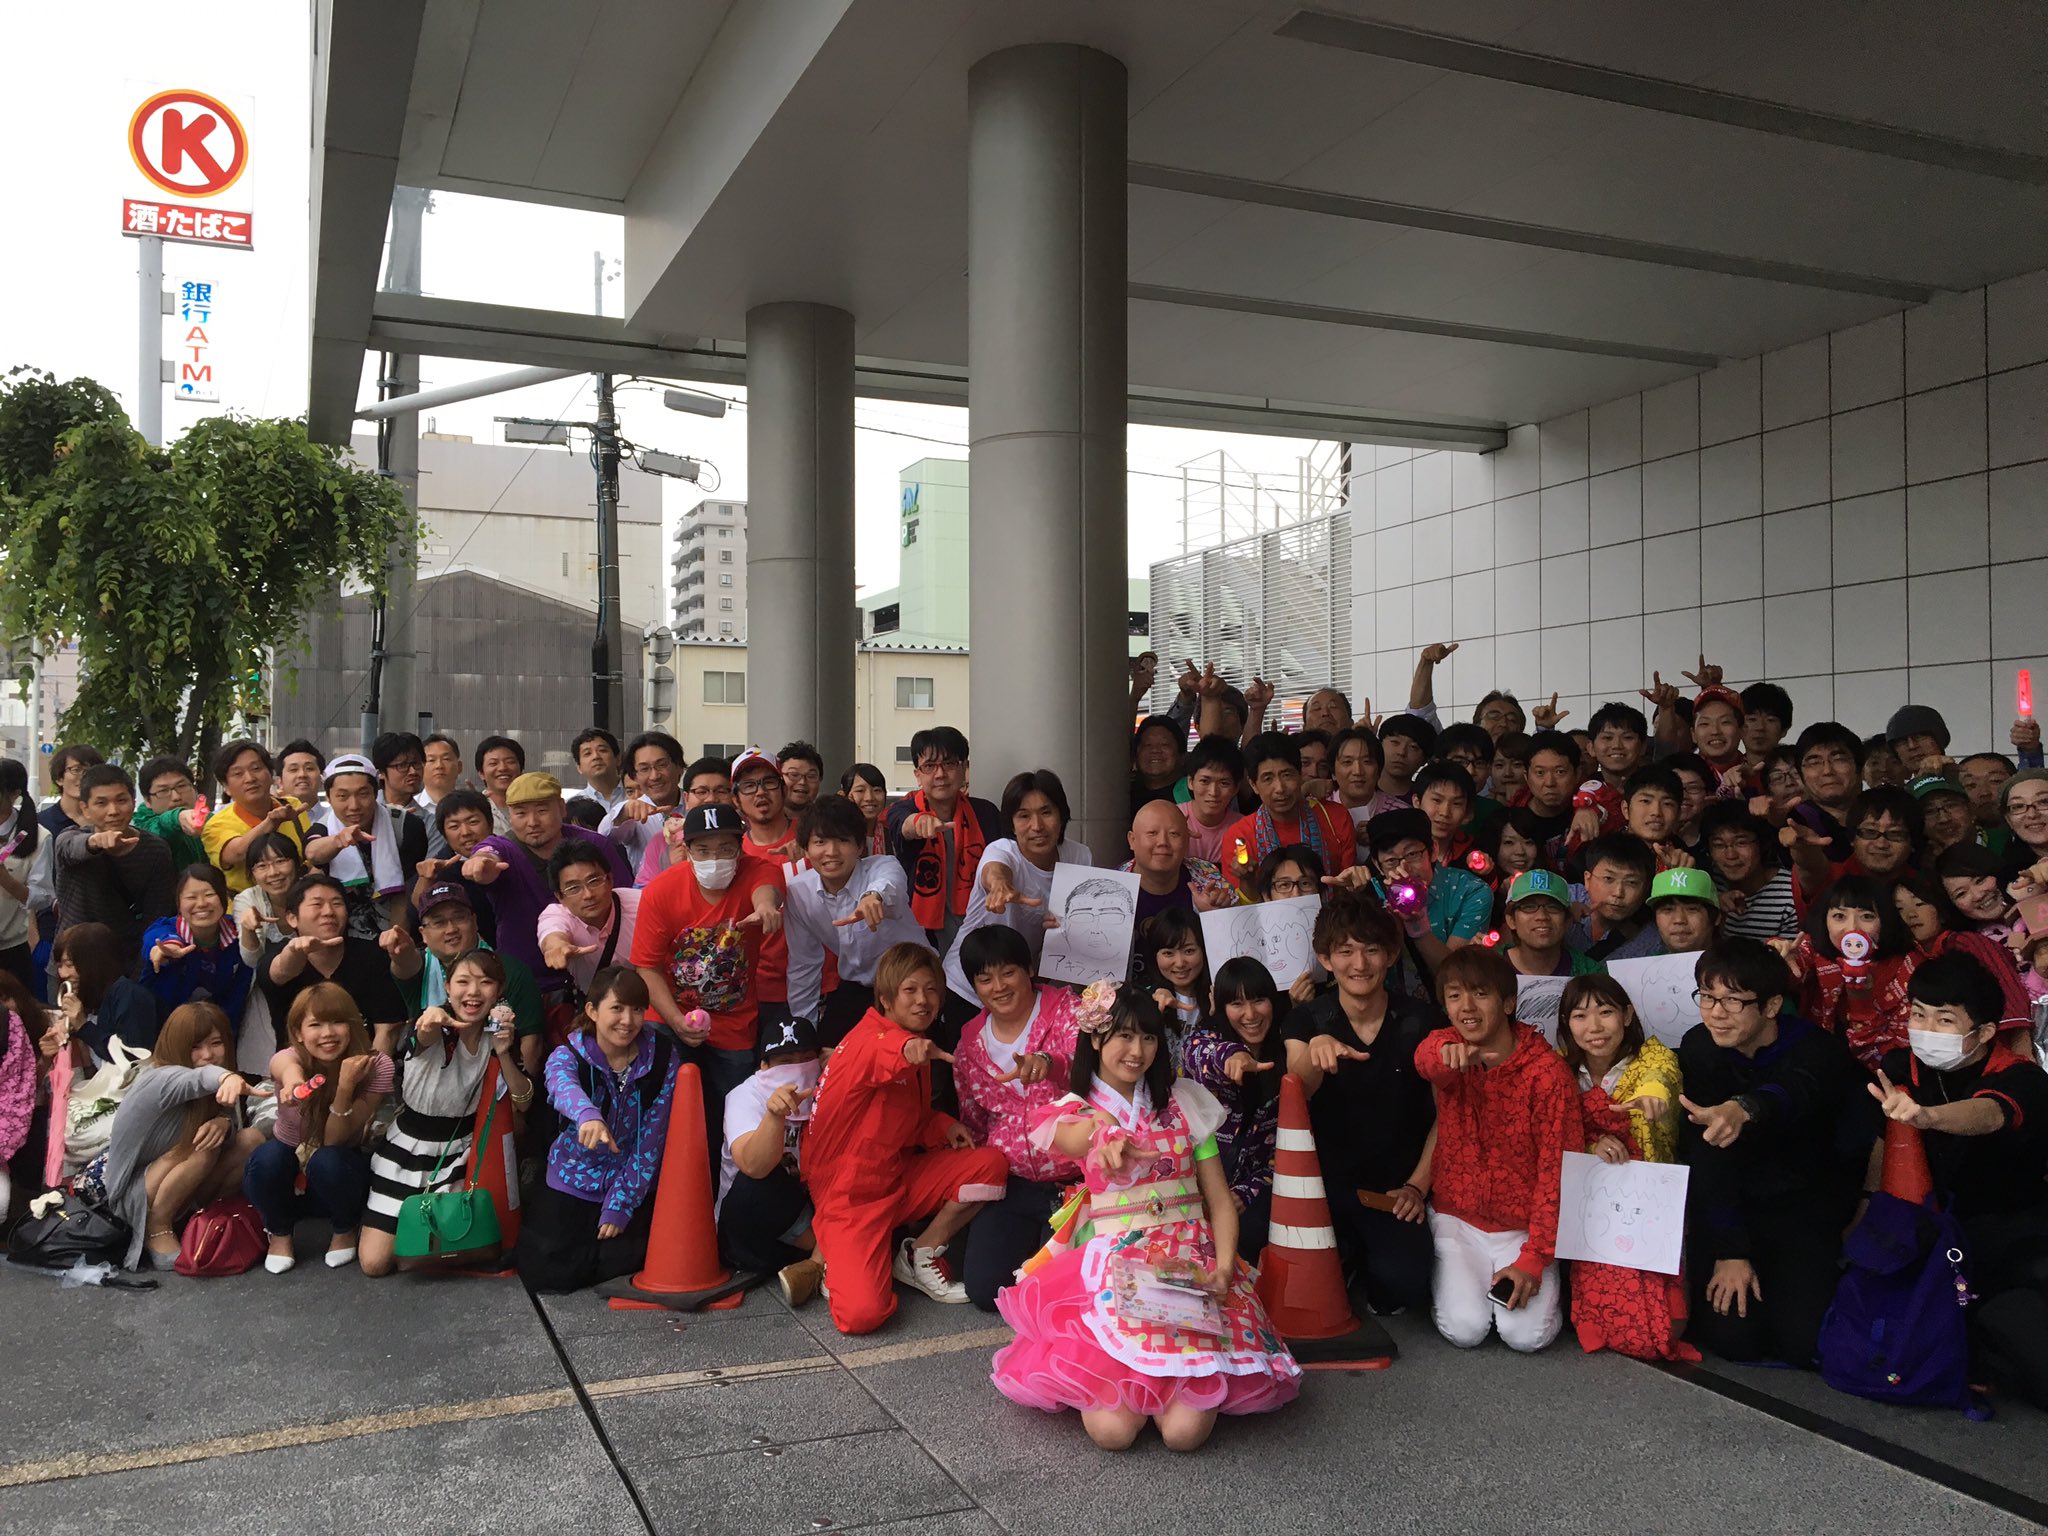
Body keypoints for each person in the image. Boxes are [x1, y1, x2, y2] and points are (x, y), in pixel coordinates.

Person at [990, 979, 1300, 1448]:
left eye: (1149, 1037)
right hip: (1116, 1266)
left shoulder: (1187, 1101)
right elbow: (1079, 1135)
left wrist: (1222, 1269)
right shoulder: (1078, 1109)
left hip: (1190, 1263)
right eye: (1124, 1036)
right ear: (1096, 1039)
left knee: (1185, 1434)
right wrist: (1105, 1137)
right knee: (1112, 1433)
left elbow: (1219, 1200)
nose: (1138, 1051)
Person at [1680, 937, 1878, 1366]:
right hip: (1732, 1207)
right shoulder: (1699, 1048)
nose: (1716, 1012)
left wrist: (1745, 1108)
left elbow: (1796, 1088)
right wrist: (1730, 1250)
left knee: (1804, 1343)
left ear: (1771, 1006)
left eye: (1733, 1001)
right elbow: (1709, 1159)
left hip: (1800, 1209)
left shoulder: (1815, 1048)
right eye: (1707, 997)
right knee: (1735, 1340)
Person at [1869, 954, 2048, 1408]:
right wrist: (1866, 1207)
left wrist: (1928, 1117)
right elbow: (1882, 1143)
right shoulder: (1899, 1068)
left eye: (1945, 1019)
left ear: (1984, 1032)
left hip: (2012, 1240)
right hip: (1931, 1238)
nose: (1926, 1029)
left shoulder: (2023, 1077)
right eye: (1918, 1014)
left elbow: (1990, 1113)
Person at [802, 942, 1009, 1333]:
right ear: (885, 999)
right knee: (862, 1316)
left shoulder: (911, 1039)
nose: (922, 1000)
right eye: (910, 990)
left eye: (931, 990)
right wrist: (908, 1048)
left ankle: (919, 1255)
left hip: (896, 1179)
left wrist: (944, 1127)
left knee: (989, 1165)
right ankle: (841, 1259)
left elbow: (908, 1118)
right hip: (851, 1198)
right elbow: (883, 1053)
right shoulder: (873, 1041)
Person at [1415, 945, 1582, 1352]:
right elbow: (1425, 1059)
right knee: (1465, 1329)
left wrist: (1534, 1258)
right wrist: (1444, 1058)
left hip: (1523, 1228)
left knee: (1526, 1336)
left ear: (1508, 1003)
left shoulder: (1547, 1074)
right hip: (1458, 1218)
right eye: (1454, 995)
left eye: (1480, 993)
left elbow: (1558, 1173)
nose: (1466, 1007)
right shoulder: (1448, 1048)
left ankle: (1545, 1279)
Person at [1283, 893, 1436, 1312]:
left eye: (1371, 949)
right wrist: (1318, 1051)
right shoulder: (1307, 1019)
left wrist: (1417, 1186)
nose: (1360, 963)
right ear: (1326, 959)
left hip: (1393, 1189)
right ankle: (1347, 1254)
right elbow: (1296, 1091)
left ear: (1390, 955)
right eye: (1345, 951)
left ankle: (1364, 1262)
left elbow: (1448, 1115)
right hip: (1320, 1186)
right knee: (1281, 1263)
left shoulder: (1422, 1021)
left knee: (1403, 1286)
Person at [360, 949, 535, 1277]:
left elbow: (523, 1101)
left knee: (446, 1243)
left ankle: (422, 1242)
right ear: (447, 986)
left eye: (485, 982)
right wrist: (429, 1022)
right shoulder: (433, 1022)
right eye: (463, 982)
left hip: (459, 1153)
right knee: (375, 1264)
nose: (473, 992)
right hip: (406, 1150)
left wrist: (503, 1053)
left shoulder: (497, 1034)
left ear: (499, 990)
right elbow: (423, 1035)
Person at [1554, 974, 1693, 1361]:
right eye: (1580, 1016)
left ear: (1627, 1015)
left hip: (1651, 1201)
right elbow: (1553, 1133)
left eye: (1605, 1012)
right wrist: (1591, 1145)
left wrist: (1652, 1096)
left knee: (1671, 1325)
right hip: (1591, 1205)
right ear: (1567, 1024)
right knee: (1590, 1315)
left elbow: (1659, 1078)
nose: (1594, 1027)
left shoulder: (1654, 1056)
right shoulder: (1560, 1069)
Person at [517, 965, 680, 1293]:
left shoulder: (662, 1057)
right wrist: (587, 1115)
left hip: (629, 1179)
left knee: (622, 1260)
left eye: (637, 1009)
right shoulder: (569, 1053)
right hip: (572, 1176)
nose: (628, 1020)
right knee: (546, 1273)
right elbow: (560, 1084)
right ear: (592, 1011)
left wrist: (621, 1202)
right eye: (617, 1008)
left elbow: (651, 1140)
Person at [74, 1001, 269, 1269]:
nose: (208, 1054)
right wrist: (227, 1078)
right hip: (126, 1195)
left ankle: (199, 1219)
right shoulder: (161, 1078)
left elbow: (230, 1120)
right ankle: (156, 1227)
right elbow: (197, 1079)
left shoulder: (215, 1082)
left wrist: (224, 1123)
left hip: (177, 1180)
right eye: (195, 1046)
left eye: (216, 1043)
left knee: (251, 1140)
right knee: (203, 1148)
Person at [951, 925, 1081, 1310]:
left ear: (1029, 970)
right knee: (986, 1291)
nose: (999, 987)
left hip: (1077, 1179)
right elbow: (973, 1119)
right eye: (985, 979)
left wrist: (1050, 1064)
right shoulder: (969, 1044)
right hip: (1013, 1183)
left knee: (1061, 1295)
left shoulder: (1069, 1011)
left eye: (1008, 973)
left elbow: (1092, 1070)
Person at [630, 804, 784, 1118]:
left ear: (740, 849)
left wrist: (765, 907)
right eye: (703, 850)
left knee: (738, 1107)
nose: (715, 859)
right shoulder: (660, 892)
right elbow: (646, 967)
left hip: (734, 1020)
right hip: (670, 1013)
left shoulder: (758, 871)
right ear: (687, 851)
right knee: (663, 1102)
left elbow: (767, 889)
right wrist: (676, 1020)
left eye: (725, 849)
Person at [242, 983, 393, 1273]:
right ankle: (279, 1233)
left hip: (339, 1172)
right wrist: (294, 1083)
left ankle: (345, 1228)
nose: (328, 1033)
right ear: (298, 1032)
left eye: (337, 1022)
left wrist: (345, 1086)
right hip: (288, 1174)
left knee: (328, 1160)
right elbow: (286, 1066)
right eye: (316, 1024)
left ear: (353, 1025)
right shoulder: (288, 1057)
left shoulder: (376, 1065)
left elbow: (334, 1140)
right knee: (268, 1157)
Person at [466, 772, 632, 994]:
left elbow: (623, 900)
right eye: (521, 813)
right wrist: (480, 861)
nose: (532, 822)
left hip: (598, 982)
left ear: (562, 808)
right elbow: (488, 851)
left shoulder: (593, 845)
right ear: (510, 815)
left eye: (542, 811)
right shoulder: (505, 849)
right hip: (524, 984)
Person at [942, 769, 1092, 1007]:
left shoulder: (1078, 856)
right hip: (969, 988)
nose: (1037, 826)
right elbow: (995, 869)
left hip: (1020, 991)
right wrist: (1000, 886)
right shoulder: (1001, 850)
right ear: (1011, 824)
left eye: (1046, 812)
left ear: (1062, 815)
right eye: (1024, 816)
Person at [784, 794, 923, 1043]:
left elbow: (889, 882)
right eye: (820, 841)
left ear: (860, 847)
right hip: (856, 986)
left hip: (911, 983)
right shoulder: (799, 892)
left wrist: (873, 897)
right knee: (828, 1051)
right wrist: (803, 1032)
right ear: (806, 849)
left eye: (843, 840)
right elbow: (804, 966)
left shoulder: (882, 866)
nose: (831, 852)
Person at [718, 1012, 828, 1304]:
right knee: (757, 1184)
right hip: (752, 1230)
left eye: (806, 1059)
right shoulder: (744, 1096)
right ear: (764, 1066)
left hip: (809, 1206)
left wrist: (841, 1064)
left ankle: (819, 1260)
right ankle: (832, 1250)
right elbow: (753, 1166)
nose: (797, 1069)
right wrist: (774, 1116)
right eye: (786, 1061)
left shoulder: (827, 1087)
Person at [1180, 957, 1285, 1256]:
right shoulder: (1202, 1042)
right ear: (1222, 1008)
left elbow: (1284, 1152)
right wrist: (1233, 1056)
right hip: (1194, 1191)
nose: (1250, 1014)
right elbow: (1202, 1054)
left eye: (1259, 1000)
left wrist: (1247, 1191)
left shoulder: (1287, 1052)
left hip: (1253, 1194)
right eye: (1237, 1003)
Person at [398, 881, 544, 1077]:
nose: (451, 929)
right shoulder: (419, 970)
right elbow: (402, 963)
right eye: (439, 922)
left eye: (459, 917)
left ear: (475, 922)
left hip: (497, 1083)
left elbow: (531, 1049)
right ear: (423, 934)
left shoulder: (512, 971)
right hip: (430, 1083)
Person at [1781, 875, 1921, 1072]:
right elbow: (1790, 969)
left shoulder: (1908, 969)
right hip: (1816, 1065)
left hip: (1878, 1075)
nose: (1852, 928)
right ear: (1824, 920)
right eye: (1839, 916)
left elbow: (1891, 1061)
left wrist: (1861, 1002)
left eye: (1867, 916)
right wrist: (1776, 955)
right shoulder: (1814, 949)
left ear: (1886, 921)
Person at [885, 726, 1003, 956]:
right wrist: (918, 823)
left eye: (949, 764)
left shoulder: (986, 813)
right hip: (921, 937)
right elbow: (903, 824)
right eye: (929, 766)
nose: (940, 774)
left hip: (980, 931)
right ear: (917, 774)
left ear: (964, 768)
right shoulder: (903, 809)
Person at [56, 764, 177, 969]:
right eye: (101, 803)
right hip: (72, 964)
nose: (113, 811)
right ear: (85, 808)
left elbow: (156, 916)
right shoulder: (69, 839)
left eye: (121, 800)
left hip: (126, 963)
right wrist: (94, 843)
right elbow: (70, 849)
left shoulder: (155, 850)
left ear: (133, 802)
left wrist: (141, 969)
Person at [259, 874, 410, 1035]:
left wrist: (373, 1055)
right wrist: (294, 952)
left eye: (337, 904)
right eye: (317, 904)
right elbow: (281, 971)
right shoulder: (277, 955)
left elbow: (388, 1029)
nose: (328, 912)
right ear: (292, 918)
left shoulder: (373, 956)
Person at [1365, 807, 1491, 994]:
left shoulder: (1471, 890)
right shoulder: (1370, 893)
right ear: (1377, 864)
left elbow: (1454, 976)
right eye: (1391, 860)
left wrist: (1417, 924)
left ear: (1433, 850)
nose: (1404, 868)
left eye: (1412, 854)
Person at [306, 753, 426, 939]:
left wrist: (395, 942)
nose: (354, 805)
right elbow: (313, 853)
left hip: (392, 929)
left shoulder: (405, 826)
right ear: (329, 798)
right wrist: (338, 841)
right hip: (340, 934)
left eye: (363, 794)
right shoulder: (323, 828)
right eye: (342, 796)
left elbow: (403, 894)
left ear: (376, 793)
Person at [1220, 733, 1354, 894]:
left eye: (1287, 775)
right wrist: (1247, 881)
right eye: (1268, 779)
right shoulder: (1239, 836)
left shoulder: (1335, 818)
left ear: (1300, 775)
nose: (1280, 788)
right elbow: (1239, 906)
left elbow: (1348, 889)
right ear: (1253, 784)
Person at [141, 864, 250, 1026]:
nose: (201, 903)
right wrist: (164, 949)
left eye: (209, 894)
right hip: (164, 1027)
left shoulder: (239, 934)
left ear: (223, 898)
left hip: (217, 1029)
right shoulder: (167, 928)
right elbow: (154, 938)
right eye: (191, 897)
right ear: (178, 903)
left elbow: (237, 996)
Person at [536, 840, 643, 1001]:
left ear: (610, 879)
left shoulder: (641, 904)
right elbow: (552, 933)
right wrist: (557, 947)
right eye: (573, 888)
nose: (588, 895)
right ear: (560, 896)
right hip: (596, 1004)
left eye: (594, 881)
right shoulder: (557, 915)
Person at [202, 739, 311, 893]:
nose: (250, 778)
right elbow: (237, 852)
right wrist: (271, 822)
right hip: (244, 906)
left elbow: (309, 854)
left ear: (271, 774)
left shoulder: (292, 806)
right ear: (226, 787)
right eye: (238, 773)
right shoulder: (216, 825)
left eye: (256, 768)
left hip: (296, 902)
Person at [53, 921, 160, 1055]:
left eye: (69, 965)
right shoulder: (91, 1000)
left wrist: (83, 1026)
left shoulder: (129, 995)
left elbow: (132, 1056)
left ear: (94, 963)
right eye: (60, 966)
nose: (63, 974)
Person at [1699, 802, 1800, 942]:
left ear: (1763, 844)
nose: (1730, 855)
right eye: (1719, 845)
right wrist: (1714, 909)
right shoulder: (1710, 883)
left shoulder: (1789, 895)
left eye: (1741, 843)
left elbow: (1790, 954)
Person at [1125, 800, 1235, 928]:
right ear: (1132, 840)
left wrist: (1218, 917)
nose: (1163, 842)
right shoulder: (1112, 888)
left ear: (1187, 841)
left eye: (1174, 834)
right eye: (1152, 833)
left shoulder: (1209, 877)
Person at [597, 732, 691, 881]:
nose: (654, 776)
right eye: (644, 769)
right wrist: (623, 814)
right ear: (634, 776)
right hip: (648, 892)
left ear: (679, 766)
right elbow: (603, 838)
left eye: (662, 765)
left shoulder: (695, 803)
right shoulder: (631, 812)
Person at [1568, 833, 1664, 962]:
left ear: (1646, 888)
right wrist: (1561, 917)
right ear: (1587, 879)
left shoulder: (1653, 942)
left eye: (1631, 882)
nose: (1618, 893)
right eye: (1608, 879)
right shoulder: (1563, 897)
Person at [1134, 908, 1209, 1068]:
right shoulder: (1143, 999)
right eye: (1168, 953)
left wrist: (1219, 1016)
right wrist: (1151, 1009)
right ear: (1155, 956)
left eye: (1189, 951)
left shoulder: (1218, 996)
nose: (1180, 963)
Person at [1501, 870, 1602, 978]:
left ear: (1567, 920)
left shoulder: (1592, 975)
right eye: (1529, 907)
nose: (1542, 916)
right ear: (1511, 920)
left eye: (1553, 907)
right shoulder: (1490, 968)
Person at [0, 758, 41, 992]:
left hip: (11, 951)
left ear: (14, 794)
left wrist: (6, 879)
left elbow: (41, 897)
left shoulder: (38, 836)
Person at [131, 755, 207, 869]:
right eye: (163, 791)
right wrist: (178, 817)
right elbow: (157, 829)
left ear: (195, 789)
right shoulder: (142, 828)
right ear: (147, 800)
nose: (176, 797)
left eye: (181, 786)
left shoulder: (211, 819)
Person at [1178, 735, 1242, 862]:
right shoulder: (1171, 820)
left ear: (1236, 788)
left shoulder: (1244, 828)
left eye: (1224, 783)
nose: (1213, 792)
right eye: (1204, 781)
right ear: (1190, 782)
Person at [1330, 725, 1404, 831]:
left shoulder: (1400, 814)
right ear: (1333, 772)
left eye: (1367, 762)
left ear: (1379, 770)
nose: (1358, 771)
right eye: (1347, 762)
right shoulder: (1315, 812)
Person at [733, 747, 800, 863]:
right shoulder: (735, 854)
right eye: (749, 786)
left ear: (784, 790)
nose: (760, 792)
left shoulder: (813, 836)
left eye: (769, 782)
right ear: (736, 800)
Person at [1645, 866, 1722, 955]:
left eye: (1692, 909)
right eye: (1667, 910)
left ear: (1717, 917)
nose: (1679, 920)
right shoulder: (1644, 961)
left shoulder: (1733, 961)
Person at [1130, 715, 1185, 822]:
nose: (1155, 750)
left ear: (1182, 756)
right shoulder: (1124, 797)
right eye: (1147, 745)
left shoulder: (1193, 793)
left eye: (1164, 744)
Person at [473, 735, 526, 835]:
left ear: (521, 770)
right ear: (481, 773)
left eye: (510, 762)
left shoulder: (533, 806)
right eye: (493, 763)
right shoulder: (474, 810)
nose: (502, 768)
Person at [372, 732, 429, 819]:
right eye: (402, 765)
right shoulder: (366, 812)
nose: (413, 771)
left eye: (416, 763)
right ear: (381, 772)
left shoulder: (428, 821)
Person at [1886, 704, 1951, 780]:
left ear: (1939, 738)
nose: (1912, 746)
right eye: (1902, 742)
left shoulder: (1961, 779)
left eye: (1919, 737)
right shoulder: (1900, 787)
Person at [571, 727, 627, 813]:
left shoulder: (638, 793)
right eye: (587, 753)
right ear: (579, 767)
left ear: (618, 758)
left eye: (602, 750)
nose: (596, 756)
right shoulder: (574, 807)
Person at [840, 763, 891, 856]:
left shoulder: (892, 836)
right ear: (844, 795)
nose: (869, 798)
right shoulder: (837, 836)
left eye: (877, 790)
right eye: (860, 790)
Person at [418, 732, 466, 821]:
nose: (439, 766)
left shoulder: (470, 806)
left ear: (459, 767)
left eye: (446, 759)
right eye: (431, 760)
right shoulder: (411, 807)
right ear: (420, 768)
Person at [276, 740, 327, 810]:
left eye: (309, 768)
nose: (302, 775)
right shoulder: (268, 816)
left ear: (321, 778)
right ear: (280, 781)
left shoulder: (337, 816)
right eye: (293, 769)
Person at [777, 741, 826, 814]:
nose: (802, 782)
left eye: (811, 776)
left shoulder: (829, 819)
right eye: (794, 775)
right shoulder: (763, 817)